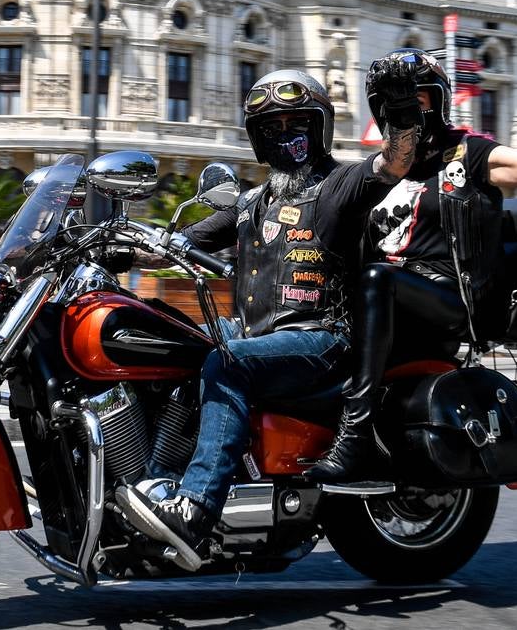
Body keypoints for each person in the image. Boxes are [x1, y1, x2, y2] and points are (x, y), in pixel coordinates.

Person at [304, 48, 517, 484]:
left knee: (377, 279)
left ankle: (355, 435)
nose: (410, 107)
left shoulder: (468, 154)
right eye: (397, 99)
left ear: (438, 101)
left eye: (419, 98)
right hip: (393, 297)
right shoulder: (381, 169)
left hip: (452, 295)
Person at [116, 69, 406, 570]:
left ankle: (196, 508)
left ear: (319, 128)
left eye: (297, 123)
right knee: (170, 341)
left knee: (226, 363)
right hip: (258, 334)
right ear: (258, 139)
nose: (285, 135)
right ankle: (153, 487)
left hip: (319, 338)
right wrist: (112, 248)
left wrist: (400, 113)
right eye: (272, 127)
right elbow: (171, 246)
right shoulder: (253, 202)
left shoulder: (339, 187)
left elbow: (392, 163)